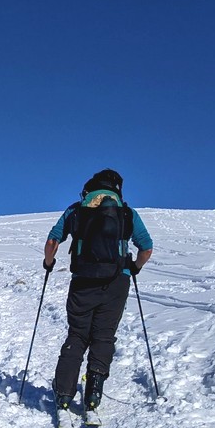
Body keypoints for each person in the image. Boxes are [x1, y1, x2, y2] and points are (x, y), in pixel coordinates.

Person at [42, 169, 153, 411]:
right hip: (117, 281)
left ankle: (63, 394)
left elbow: (52, 242)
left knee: (77, 334)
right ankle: (93, 393)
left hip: (83, 280)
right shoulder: (126, 212)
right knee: (104, 335)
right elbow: (146, 248)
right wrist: (134, 267)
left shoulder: (76, 209)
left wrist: (49, 263)